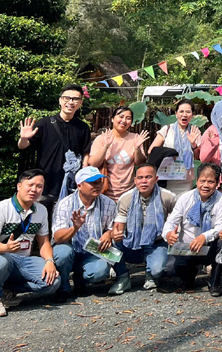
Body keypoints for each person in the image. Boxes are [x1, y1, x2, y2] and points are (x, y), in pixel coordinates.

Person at [0, 169, 60, 318]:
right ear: (19, 186)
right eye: (30, 185)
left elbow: (44, 242)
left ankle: (8, 291)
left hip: (23, 261)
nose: (34, 190)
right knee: (1, 262)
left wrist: (50, 261)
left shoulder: (41, 210)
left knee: (53, 281)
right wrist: (6, 247)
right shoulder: (1, 209)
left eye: (39, 186)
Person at [18, 84, 92, 216]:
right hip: (44, 185)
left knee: (64, 223)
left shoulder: (83, 128)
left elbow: (85, 153)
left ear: (80, 103)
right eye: (67, 98)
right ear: (60, 100)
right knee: (39, 221)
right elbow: (23, 146)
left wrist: (81, 178)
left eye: (75, 99)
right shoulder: (44, 123)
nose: (71, 102)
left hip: (69, 186)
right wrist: (23, 138)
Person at [52, 166, 127, 297]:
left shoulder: (108, 203)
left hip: (93, 249)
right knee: (62, 253)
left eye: (99, 182)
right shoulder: (65, 204)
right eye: (92, 183)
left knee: (100, 271)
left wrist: (108, 234)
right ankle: (62, 286)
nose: (97, 186)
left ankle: (81, 278)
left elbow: (114, 229)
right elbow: (58, 237)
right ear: (79, 186)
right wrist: (75, 228)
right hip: (71, 248)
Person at [164, 163, 222, 295]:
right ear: (196, 180)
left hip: (210, 247)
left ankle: (215, 280)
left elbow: (220, 226)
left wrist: (204, 237)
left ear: (217, 183)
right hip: (188, 247)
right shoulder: (185, 198)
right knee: (170, 268)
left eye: (210, 182)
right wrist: (168, 234)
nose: (205, 185)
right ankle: (189, 275)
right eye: (202, 181)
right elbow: (171, 222)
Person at [111, 163, 177, 294]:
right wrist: (116, 234)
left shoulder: (167, 196)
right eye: (140, 178)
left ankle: (151, 274)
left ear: (156, 179)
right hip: (133, 242)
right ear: (135, 180)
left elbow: (178, 219)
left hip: (156, 242)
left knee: (157, 270)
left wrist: (172, 234)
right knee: (112, 242)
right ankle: (122, 277)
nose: (144, 181)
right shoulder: (126, 198)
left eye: (148, 177)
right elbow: (118, 226)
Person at [87, 106, 149, 201]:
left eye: (128, 118)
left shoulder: (135, 138)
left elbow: (140, 163)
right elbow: (93, 164)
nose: (124, 121)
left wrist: (137, 148)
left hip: (129, 193)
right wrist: (105, 146)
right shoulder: (102, 138)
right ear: (112, 119)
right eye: (121, 116)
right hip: (104, 193)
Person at [148, 99, 203, 198]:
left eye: (188, 112)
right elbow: (151, 151)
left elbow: (198, 157)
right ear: (176, 113)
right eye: (181, 111)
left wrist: (193, 144)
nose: (184, 115)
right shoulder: (167, 129)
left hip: (186, 179)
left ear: (192, 115)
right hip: (167, 177)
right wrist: (169, 152)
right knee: (166, 203)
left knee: (183, 204)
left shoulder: (194, 131)